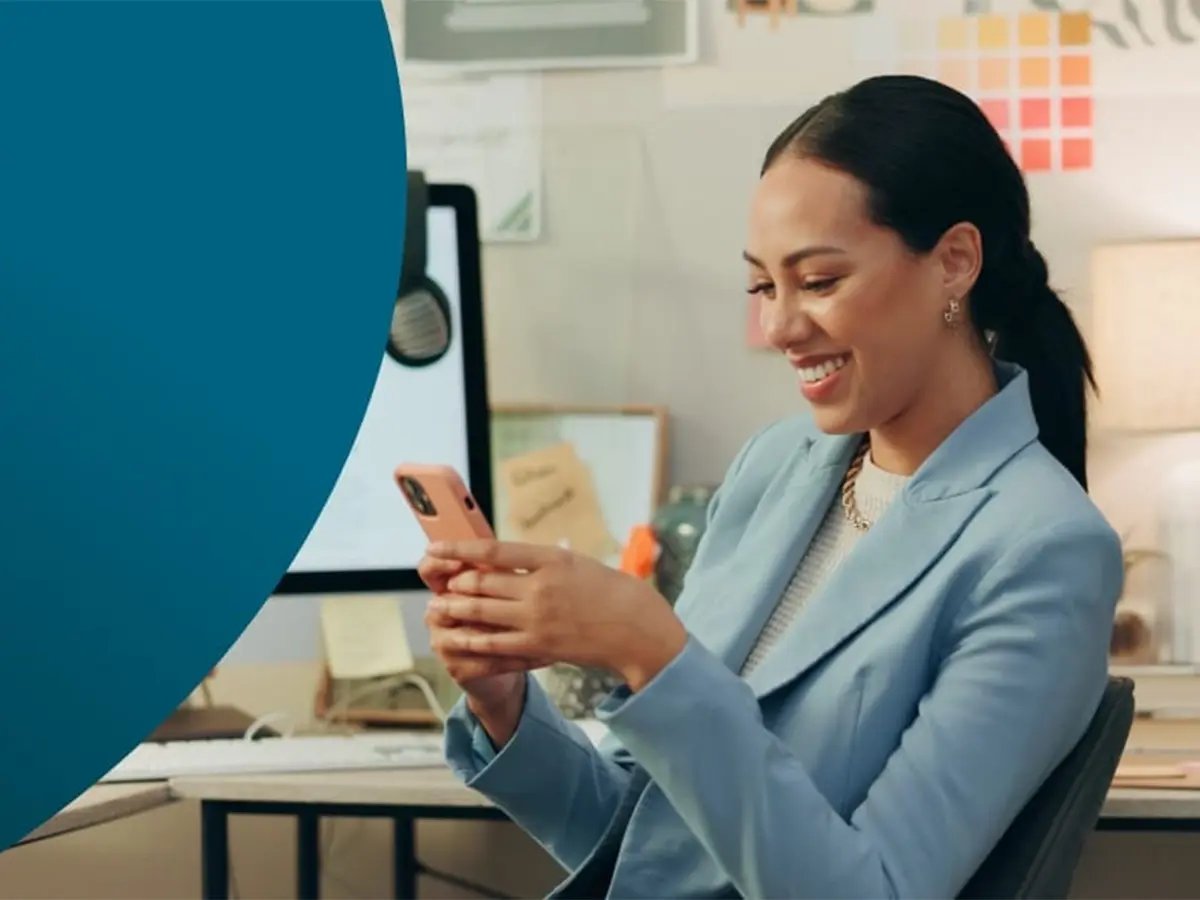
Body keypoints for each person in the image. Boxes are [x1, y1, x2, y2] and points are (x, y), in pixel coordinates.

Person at [418, 74, 1124, 899]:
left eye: (818, 281)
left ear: (954, 264)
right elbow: (660, 851)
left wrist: (652, 651)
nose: (780, 326)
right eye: (762, 286)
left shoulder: (1045, 550)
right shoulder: (775, 467)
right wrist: (505, 703)